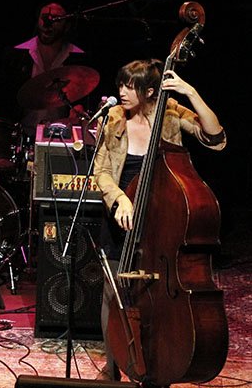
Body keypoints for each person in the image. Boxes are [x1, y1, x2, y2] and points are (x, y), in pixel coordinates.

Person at [93, 59, 226, 382]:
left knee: (160, 294)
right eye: (120, 84)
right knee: (114, 291)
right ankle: (113, 367)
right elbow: (102, 172)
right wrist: (120, 198)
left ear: (150, 91)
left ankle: (161, 360)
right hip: (123, 217)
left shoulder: (171, 113)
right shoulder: (113, 118)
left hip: (164, 218)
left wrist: (190, 92)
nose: (122, 92)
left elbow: (215, 137)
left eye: (130, 86)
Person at [0, 0, 88, 137]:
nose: (48, 23)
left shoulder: (79, 59)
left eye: (56, 19)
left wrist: (81, 109)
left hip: (63, 138)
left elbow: (89, 100)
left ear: (67, 26)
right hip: (22, 136)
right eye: (44, 17)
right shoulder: (16, 56)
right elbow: (0, 96)